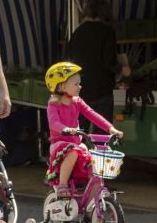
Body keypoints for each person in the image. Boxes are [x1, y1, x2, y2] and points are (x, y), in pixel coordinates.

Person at [44, 62, 122, 195]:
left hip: (76, 144)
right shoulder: (54, 104)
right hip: (59, 145)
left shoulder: (77, 101)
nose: (80, 87)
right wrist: (67, 129)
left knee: (93, 160)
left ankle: (95, 197)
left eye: (79, 83)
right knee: (74, 151)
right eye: (76, 84)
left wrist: (111, 129)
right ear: (62, 86)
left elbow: (92, 114)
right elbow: (53, 123)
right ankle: (62, 186)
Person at [65, 0, 131, 131]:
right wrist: (124, 69)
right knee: (101, 136)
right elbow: (110, 62)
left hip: (80, 92)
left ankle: (80, 153)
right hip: (101, 92)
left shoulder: (77, 33)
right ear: (104, 13)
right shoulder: (107, 33)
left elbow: (68, 60)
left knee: (80, 135)